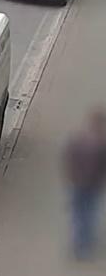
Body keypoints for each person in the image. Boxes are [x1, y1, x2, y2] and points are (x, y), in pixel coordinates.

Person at [63, 107, 106, 260]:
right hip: (92, 186)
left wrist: (71, 176)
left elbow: (69, 158)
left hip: (77, 184)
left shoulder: (77, 139)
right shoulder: (102, 144)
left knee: (77, 214)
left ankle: (77, 244)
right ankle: (84, 246)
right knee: (89, 216)